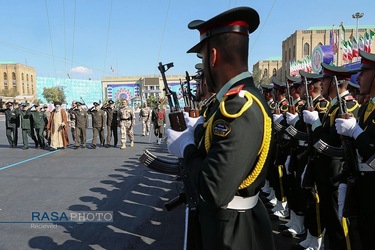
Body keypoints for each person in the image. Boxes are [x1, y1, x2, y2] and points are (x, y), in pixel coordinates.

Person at [167, 7, 275, 249]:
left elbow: (214, 189)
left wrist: (186, 147)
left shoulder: (240, 107)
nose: (204, 67)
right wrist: (193, 131)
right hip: (228, 225)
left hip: (232, 233)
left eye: (203, 57)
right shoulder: (232, 103)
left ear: (213, 56)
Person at [303, 63, 359, 250]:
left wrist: (317, 124)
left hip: (336, 174)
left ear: (333, 83)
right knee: (329, 221)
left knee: (338, 226)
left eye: (324, 80)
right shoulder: (333, 107)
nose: (321, 83)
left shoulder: (348, 106)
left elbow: (331, 143)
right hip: (326, 172)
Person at [335, 50, 375, 250]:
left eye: (364, 72)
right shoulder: (367, 109)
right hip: (363, 190)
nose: (358, 77)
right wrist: (345, 181)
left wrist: (356, 132)